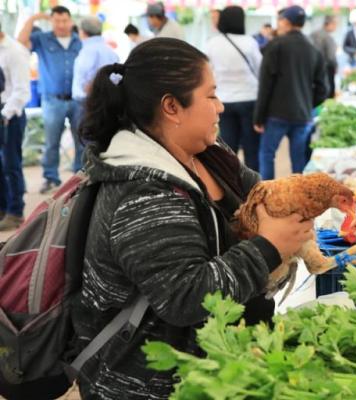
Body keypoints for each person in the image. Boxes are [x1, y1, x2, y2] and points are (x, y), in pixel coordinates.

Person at [73, 37, 314, 399]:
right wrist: (269, 247)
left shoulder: (210, 156)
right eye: (211, 95)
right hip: (153, 384)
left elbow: (266, 197)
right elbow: (184, 296)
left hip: (220, 364)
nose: (220, 107)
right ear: (172, 106)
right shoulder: (141, 191)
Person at [253, 6, 327, 180]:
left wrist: (258, 116)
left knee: (267, 154)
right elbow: (323, 89)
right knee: (298, 159)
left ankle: (268, 196)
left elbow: (265, 84)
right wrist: (307, 103)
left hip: (276, 113)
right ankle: (299, 199)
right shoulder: (313, 49)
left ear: (285, 22)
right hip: (303, 115)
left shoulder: (275, 45)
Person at [17, 6, 82, 194]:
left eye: (64, 20)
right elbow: (21, 41)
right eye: (57, 21)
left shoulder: (79, 41)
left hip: (77, 100)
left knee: (81, 140)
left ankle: (80, 176)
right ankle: (51, 178)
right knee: (52, 142)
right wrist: (35, 18)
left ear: (70, 21)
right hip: (52, 100)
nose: (61, 25)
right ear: (51, 21)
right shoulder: (42, 39)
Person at [205, 6, 262, 171]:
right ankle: (255, 188)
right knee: (252, 148)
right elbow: (260, 70)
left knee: (229, 148)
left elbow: (208, 72)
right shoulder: (250, 42)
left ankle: (232, 187)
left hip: (224, 101)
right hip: (250, 99)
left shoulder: (212, 44)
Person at [0, 25, 31, 231]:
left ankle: (16, 211)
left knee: (11, 164)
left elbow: (22, 90)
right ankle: (3, 208)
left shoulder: (14, 51)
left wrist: (5, 114)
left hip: (9, 115)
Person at [310, 15, 338, 99]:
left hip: (312, 70)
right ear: (330, 24)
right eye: (335, 25)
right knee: (327, 95)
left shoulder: (313, 34)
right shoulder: (327, 37)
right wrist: (336, 67)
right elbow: (331, 57)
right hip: (326, 70)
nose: (336, 27)